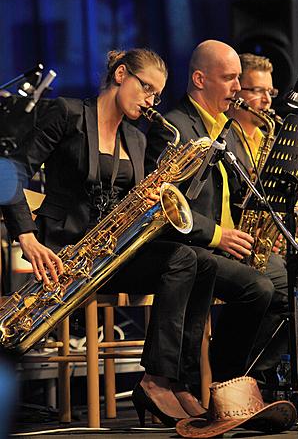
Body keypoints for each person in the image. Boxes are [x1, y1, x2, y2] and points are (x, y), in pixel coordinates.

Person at [1, 48, 218, 427]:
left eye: (157, 95)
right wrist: (28, 237)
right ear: (121, 74)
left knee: (200, 261)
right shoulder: (66, 114)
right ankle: (158, 382)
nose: (151, 102)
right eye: (146, 88)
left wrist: (148, 202)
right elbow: (10, 172)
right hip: (65, 250)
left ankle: (167, 379)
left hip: (110, 254)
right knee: (185, 259)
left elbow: (127, 206)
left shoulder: (135, 138)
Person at [145, 39, 298, 385]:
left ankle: (253, 380)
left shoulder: (226, 130)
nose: (237, 88)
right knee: (260, 289)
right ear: (200, 80)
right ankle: (226, 380)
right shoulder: (174, 126)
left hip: (229, 247)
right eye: (231, 79)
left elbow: (241, 198)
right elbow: (168, 204)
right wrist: (220, 236)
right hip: (197, 249)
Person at [227, 52, 298, 404]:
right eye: (256, 91)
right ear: (238, 92)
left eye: (270, 93)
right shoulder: (227, 137)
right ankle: (258, 377)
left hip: (276, 243)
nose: (266, 100)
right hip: (244, 245)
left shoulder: (272, 137)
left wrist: (296, 190)